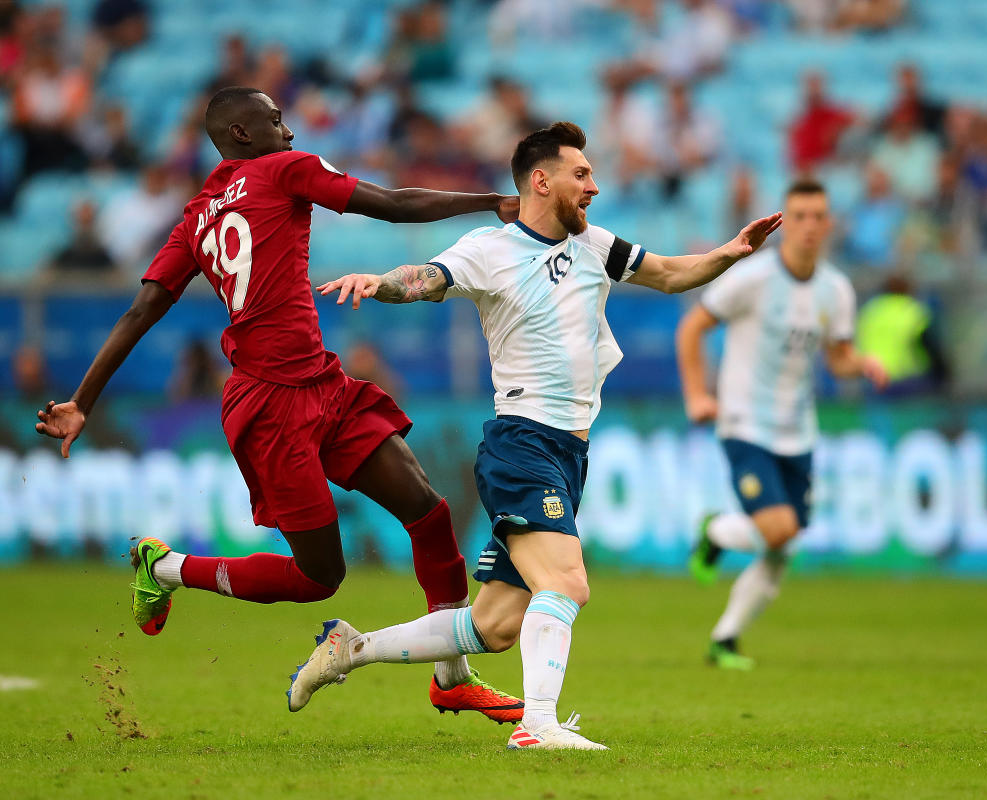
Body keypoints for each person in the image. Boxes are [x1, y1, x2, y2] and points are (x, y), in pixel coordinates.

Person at [34, 86, 523, 723]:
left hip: (321, 385)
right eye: (274, 120)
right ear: (242, 135)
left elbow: (142, 308)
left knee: (428, 511)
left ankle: (450, 678)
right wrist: (490, 202)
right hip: (271, 406)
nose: (288, 132)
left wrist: (82, 402)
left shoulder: (197, 215)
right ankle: (168, 566)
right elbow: (392, 204)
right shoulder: (284, 170)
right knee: (319, 577)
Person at [291, 121, 782, 750]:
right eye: (582, 175)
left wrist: (729, 252)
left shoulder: (596, 245)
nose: (595, 187)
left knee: (494, 624)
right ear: (541, 180)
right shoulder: (489, 249)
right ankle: (538, 726)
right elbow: (427, 279)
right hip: (523, 442)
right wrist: (379, 282)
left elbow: (666, 273)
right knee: (567, 582)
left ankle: (351, 648)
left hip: (566, 452)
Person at [676, 179, 887, 670]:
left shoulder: (836, 289)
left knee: (782, 545)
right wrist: (697, 396)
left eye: (819, 216)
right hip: (745, 420)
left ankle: (724, 639)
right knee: (778, 529)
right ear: (786, 223)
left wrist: (864, 365)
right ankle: (716, 531)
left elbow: (838, 360)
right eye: (801, 216)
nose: (810, 225)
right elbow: (692, 328)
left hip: (799, 431)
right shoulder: (751, 279)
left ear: (828, 224)